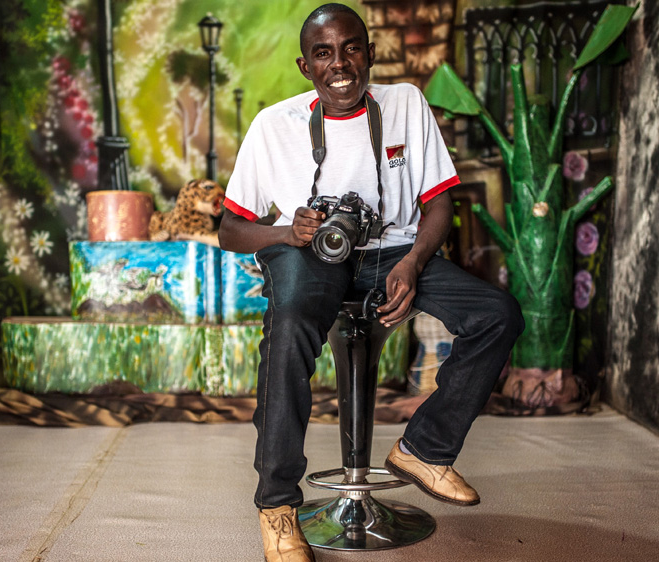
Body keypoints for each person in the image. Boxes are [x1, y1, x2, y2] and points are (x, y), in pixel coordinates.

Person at [219, 4, 524, 561]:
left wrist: (413, 262)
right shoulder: (273, 125)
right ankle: (278, 505)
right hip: (308, 251)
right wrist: (288, 231)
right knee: (289, 326)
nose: (339, 64)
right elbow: (230, 230)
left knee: (498, 314)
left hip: (395, 251)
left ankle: (424, 449)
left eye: (351, 48)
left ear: (370, 54)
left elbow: (439, 204)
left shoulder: (405, 103)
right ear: (305, 66)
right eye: (323, 53)